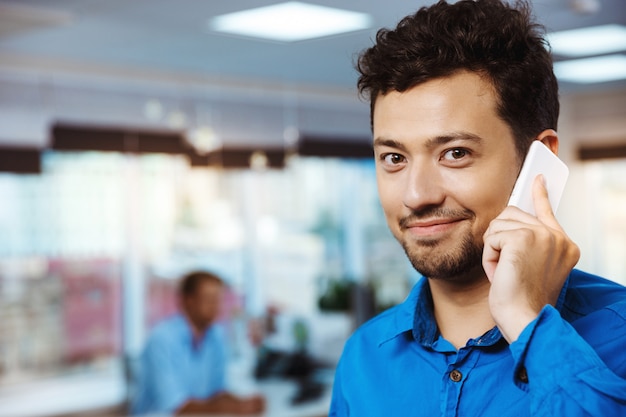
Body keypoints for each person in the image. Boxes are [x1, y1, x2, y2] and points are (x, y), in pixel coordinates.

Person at [329, 1, 626, 416]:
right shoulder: (363, 359)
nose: (416, 195)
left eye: (455, 153)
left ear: (540, 159)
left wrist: (527, 323)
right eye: (394, 158)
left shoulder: (619, 334)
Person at [132, 271, 265, 415]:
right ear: (188, 301)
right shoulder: (162, 340)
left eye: (217, 299)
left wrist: (243, 403)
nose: (215, 306)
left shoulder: (216, 336)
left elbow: (216, 394)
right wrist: (230, 408)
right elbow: (177, 407)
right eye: (209, 299)